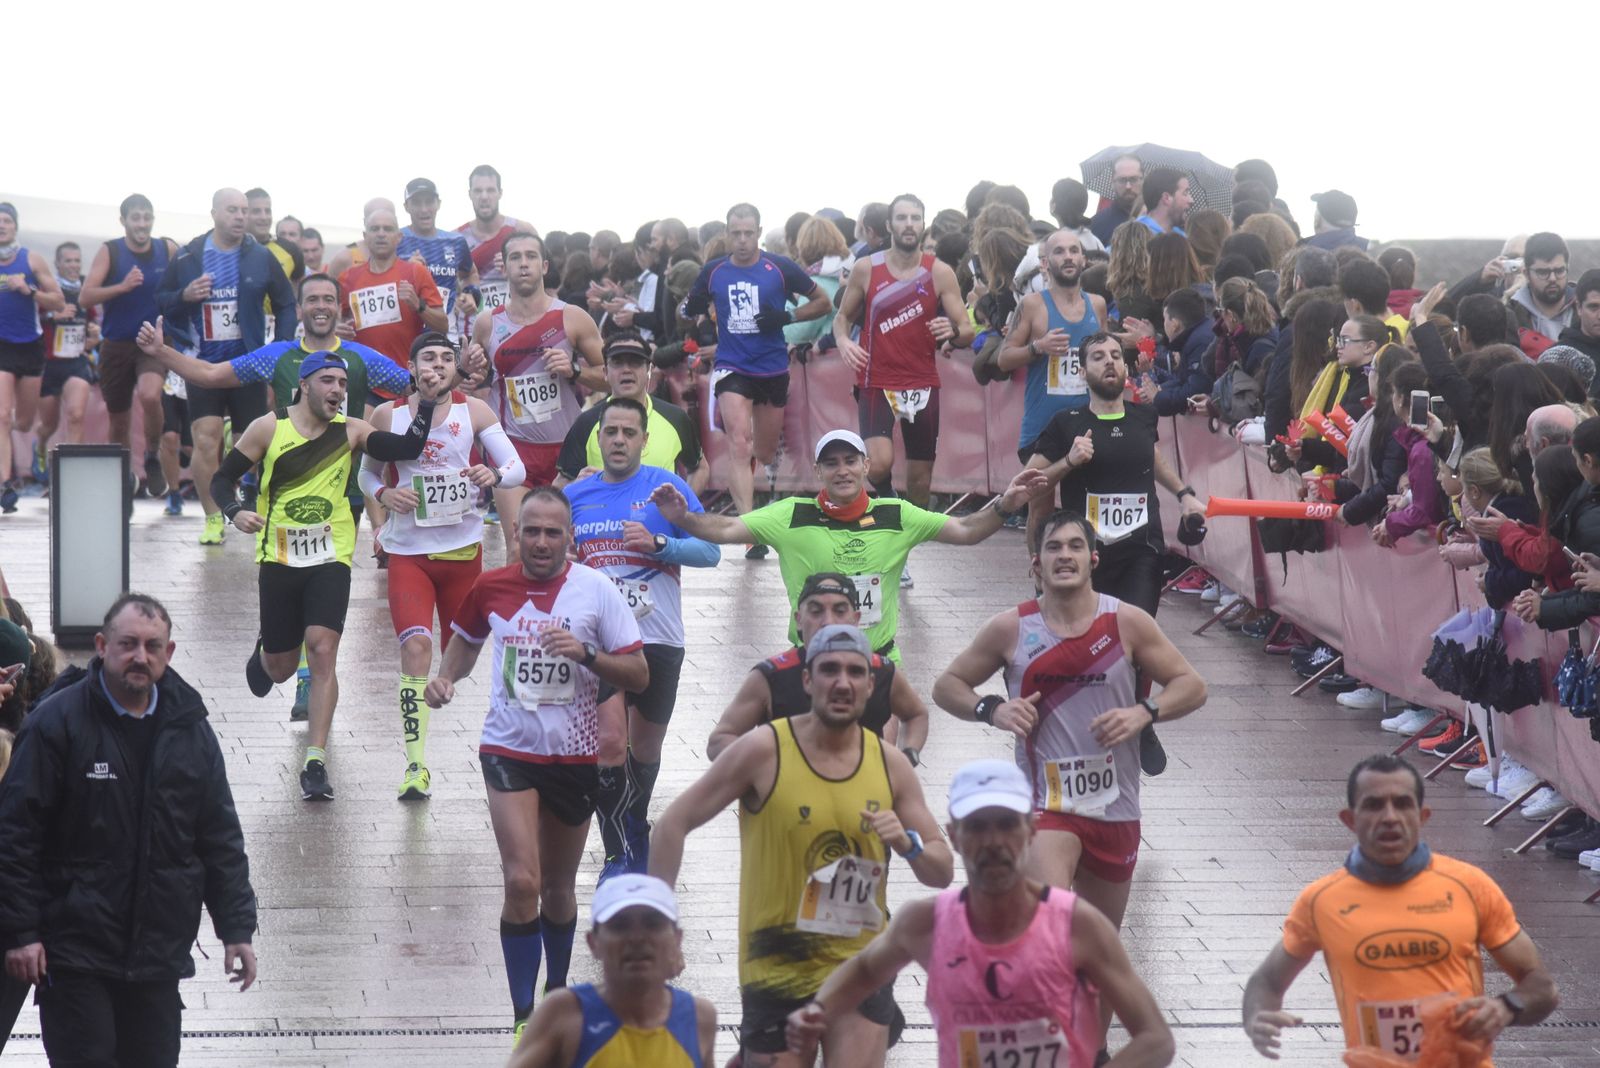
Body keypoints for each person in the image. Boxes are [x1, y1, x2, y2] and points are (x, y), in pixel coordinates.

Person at [932, 509, 1207, 1060]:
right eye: (1053, 548)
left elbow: (1192, 685)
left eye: (1074, 547)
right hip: (1046, 807)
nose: (1064, 556)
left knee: (1098, 949)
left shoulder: (1126, 623)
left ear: (1092, 560)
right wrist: (993, 708)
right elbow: (947, 685)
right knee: (1052, 934)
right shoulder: (1012, 627)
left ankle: (1090, 1050)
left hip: (1116, 807)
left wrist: (1143, 713)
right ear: (1036, 566)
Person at [650, 623, 955, 1066]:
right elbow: (672, 824)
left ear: (872, 687)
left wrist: (908, 844)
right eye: (829, 670)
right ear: (807, 680)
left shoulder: (890, 765)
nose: (842, 682)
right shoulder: (764, 750)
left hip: (861, 962)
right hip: (777, 964)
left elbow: (942, 868)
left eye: (855, 672)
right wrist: (660, 924)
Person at [421, 488, 648, 1041]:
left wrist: (588, 654)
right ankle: (523, 1012)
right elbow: (467, 642)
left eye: (552, 533)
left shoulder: (595, 591)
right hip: (508, 751)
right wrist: (445, 676)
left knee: (558, 889)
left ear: (569, 537)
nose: (541, 542)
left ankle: (557, 995)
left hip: (574, 756)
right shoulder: (490, 587)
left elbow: (639, 673)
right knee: (522, 880)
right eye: (531, 531)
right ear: (515, 533)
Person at [0, 593, 258, 1067]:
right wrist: (22, 933)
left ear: (169, 652)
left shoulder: (190, 728)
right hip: (74, 952)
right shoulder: (57, 723)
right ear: (101, 646)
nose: (141, 656)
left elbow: (219, 833)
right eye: (128, 644)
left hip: (157, 954)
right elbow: (16, 835)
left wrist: (236, 927)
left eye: (153, 646)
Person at [785, 758, 1174, 1068]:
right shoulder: (926, 924)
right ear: (954, 836)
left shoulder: (1077, 925)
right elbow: (866, 970)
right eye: (977, 827)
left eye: (1007, 825)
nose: (993, 842)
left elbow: (1156, 1039)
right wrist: (818, 1010)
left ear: (1030, 831)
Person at [213, 352, 448, 800]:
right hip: (279, 558)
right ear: (304, 385)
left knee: (322, 649)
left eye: (342, 382)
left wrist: (429, 402)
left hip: (331, 556)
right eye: (327, 381)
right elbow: (221, 479)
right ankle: (267, 653)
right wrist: (234, 511)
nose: (338, 390)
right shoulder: (269, 427)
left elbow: (406, 449)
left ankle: (314, 760)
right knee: (282, 670)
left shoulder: (352, 430)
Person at [1242, 754, 1559, 1062]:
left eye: (1403, 803)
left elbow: (1541, 987)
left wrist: (1507, 1007)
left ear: (1422, 817)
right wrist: (1257, 1016)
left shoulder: (1470, 886)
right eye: (1374, 805)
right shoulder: (1321, 900)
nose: (1390, 816)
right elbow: (1267, 981)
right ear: (1349, 820)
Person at [649, 429, 1047, 659]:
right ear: (819, 471)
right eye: (832, 463)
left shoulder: (896, 514)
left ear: (866, 466)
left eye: (850, 461)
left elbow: (965, 531)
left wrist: (1005, 504)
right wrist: (682, 518)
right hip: (810, 661)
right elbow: (725, 530)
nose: (843, 471)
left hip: (879, 659)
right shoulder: (791, 513)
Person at [359, 332, 525, 800]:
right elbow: (367, 472)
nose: (437, 366)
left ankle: (496, 732)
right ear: (411, 367)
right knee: (416, 649)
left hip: (463, 555)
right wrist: (383, 495)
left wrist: (492, 475)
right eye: (427, 358)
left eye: (446, 359)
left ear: (457, 368)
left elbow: (516, 468)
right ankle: (415, 765)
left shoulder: (474, 411)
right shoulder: (387, 415)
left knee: (460, 659)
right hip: (408, 554)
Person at [563, 397, 720, 878]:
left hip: (659, 638)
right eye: (610, 432)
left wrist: (659, 543)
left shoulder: (665, 488)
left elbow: (711, 550)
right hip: (603, 644)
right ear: (599, 437)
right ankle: (614, 853)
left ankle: (635, 821)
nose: (618, 440)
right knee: (610, 743)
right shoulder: (577, 495)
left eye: (629, 433)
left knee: (644, 751)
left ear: (645, 441)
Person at [682, 203, 831, 551]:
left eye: (749, 233)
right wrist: (692, 310)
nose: (743, 240)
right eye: (736, 233)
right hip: (732, 365)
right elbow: (689, 307)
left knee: (762, 451)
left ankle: (757, 501)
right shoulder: (714, 271)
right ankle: (749, 532)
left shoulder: (779, 268)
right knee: (740, 442)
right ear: (727, 234)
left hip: (772, 367)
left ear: (760, 233)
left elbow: (823, 302)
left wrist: (785, 317)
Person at [155, 188, 296, 544]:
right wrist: (185, 296)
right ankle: (213, 517)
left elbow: (286, 303)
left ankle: (256, 505)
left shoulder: (260, 256)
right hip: (203, 363)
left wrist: (280, 348)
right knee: (206, 441)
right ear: (215, 212)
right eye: (232, 210)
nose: (240, 217)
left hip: (246, 364)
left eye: (244, 211)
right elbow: (161, 300)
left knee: (254, 444)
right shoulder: (189, 256)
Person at [832, 193, 973, 524]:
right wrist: (842, 342)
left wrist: (952, 330)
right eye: (902, 218)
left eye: (915, 218)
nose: (909, 225)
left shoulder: (939, 272)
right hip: (876, 380)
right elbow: (842, 318)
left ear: (923, 224)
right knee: (878, 463)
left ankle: (907, 546)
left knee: (921, 479)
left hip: (921, 382)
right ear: (889, 225)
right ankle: (890, 503)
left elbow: (967, 330)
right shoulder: (867, 268)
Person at [475, 231, 605, 553]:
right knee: (518, 547)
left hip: (566, 450)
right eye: (515, 258)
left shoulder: (571, 318)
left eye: (531, 257)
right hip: (512, 448)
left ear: (544, 265)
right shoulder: (488, 323)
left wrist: (575, 370)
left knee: (572, 547)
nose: (523, 264)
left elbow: (611, 376)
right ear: (504, 268)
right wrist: (467, 371)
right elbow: (475, 383)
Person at [707, 572, 929, 761]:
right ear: (799, 620)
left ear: (856, 619)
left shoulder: (883, 671)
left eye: (840, 611)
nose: (828, 621)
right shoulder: (770, 676)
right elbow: (720, 740)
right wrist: (764, 770)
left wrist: (907, 757)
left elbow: (916, 714)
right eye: (816, 611)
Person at [506, 874, 716, 1067]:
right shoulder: (565, 1015)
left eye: (653, 924)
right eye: (620, 926)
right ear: (593, 942)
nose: (637, 938)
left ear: (677, 939)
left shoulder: (699, 1018)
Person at [79, 195, 181, 493]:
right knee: (119, 420)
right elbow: (86, 297)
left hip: (153, 339)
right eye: (135, 218)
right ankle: (122, 477)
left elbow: (186, 285)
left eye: (147, 217)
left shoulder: (167, 248)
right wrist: (122, 286)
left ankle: (151, 455)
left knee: (151, 396)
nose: (142, 224)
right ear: (123, 221)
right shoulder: (110, 251)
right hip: (117, 343)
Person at [997, 229, 1110, 458]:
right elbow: (1004, 359)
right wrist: (1037, 347)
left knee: (1083, 495)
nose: (1068, 257)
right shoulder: (1032, 305)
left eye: (1074, 250)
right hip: (1043, 426)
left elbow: (1107, 354)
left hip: (1088, 426)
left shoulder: (1097, 305)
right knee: (1040, 492)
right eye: (1059, 252)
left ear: (1083, 260)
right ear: (1045, 263)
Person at [555, 329, 704, 492]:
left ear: (649, 370)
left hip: (657, 517)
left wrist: (683, 511)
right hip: (605, 516)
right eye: (617, 362)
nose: (626, 370)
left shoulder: (675, 418)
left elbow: (700, 469)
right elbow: (561, 483)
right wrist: (577, 487)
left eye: (635, 362)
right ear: (605, 372)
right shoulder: (586, 422)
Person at [0, 202, 65, 511]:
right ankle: (5, 484)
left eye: (6, 221)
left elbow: (59, 301)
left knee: (23, 422)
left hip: (29, 346)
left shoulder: (31, 260)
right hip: (1, 347)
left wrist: (29, 290)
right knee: (1, 416)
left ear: (15, 227)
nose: (1, 226)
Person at [339, 206, 449, 371]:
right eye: (375, 229)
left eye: (388, 229)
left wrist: (418, 305)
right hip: (362, 379)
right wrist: (337, 329)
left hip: (404, 377)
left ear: (399, 237)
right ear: (365, 237)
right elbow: (335, 322)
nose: (381, 234)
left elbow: (442, 326)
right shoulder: (348, 278)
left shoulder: (415, 272)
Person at [31, 242, 97, 471]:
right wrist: (53, 315)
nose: (73, 265)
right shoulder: (47, 290)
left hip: (76, 363)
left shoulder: (85, 290)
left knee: (76, 415)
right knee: (49, 424)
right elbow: (30, 323)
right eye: (68, 260)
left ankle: (71, 474)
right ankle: (39, 446)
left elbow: (93, 321)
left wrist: (95, 333)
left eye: (77, 260)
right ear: (57, 263)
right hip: (48, 364)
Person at [397, 177, 479, 342]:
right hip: (406, 331)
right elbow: (377, 276)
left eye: (429, 202)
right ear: (406, 207)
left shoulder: (455, 241)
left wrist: (471, 294)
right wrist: (406, 270)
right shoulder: (395, 239)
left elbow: (470, 273)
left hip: (446, 331)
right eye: (417, 203)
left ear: (438, 204)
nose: (424, 209)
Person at [455, 163, 539, 314]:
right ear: (470, 194)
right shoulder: (456, 238)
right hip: (471, 324)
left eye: (490, 190)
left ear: (500, 193)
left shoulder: (522, 229)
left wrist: (516, 263)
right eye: (478, 191)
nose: (484, 197)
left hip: (516, 320)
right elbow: (447, 287)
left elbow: (546, 277)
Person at [1510, 232, 1575, 343]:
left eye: (1559, 271)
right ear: (1527, 274)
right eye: (1543, 272)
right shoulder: (1510, 316)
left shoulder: (1589, 309)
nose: (1553, 278)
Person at [244, 187, 305, 290]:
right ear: (244, 213)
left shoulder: (290, 250)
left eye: (267, 211)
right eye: (256, 211)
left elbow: (298, 290)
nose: (264, 217)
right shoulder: (232, 248)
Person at [1091, 155, 1144, 247]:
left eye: (1134, 179)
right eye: (1122, 180)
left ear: (1143, 179)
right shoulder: (1097, 224)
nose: (1128, 186)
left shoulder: (1159, 218)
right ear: (1112, 183)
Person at [1136, 168, 1192, 236]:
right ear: (1166, 198)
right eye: (1185, 193)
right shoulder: (1136, 237)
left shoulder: (1181, 237)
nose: (1191, 200)